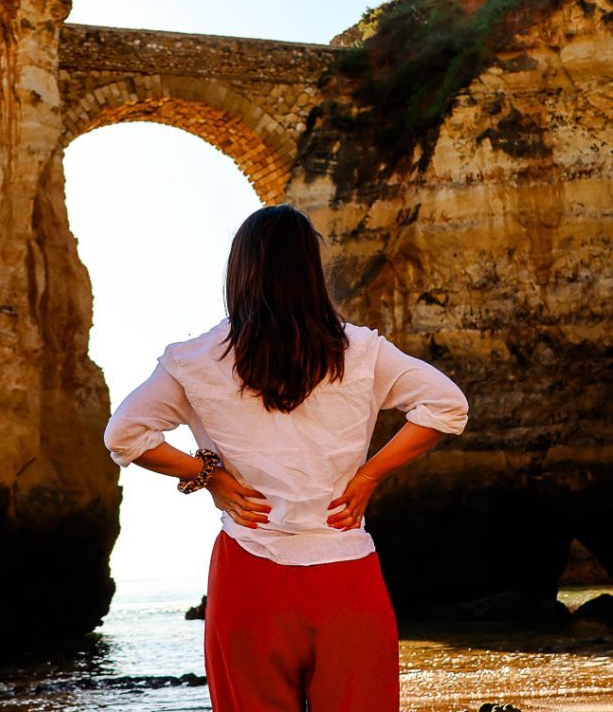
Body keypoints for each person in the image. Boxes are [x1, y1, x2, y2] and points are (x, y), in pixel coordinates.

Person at [103, 204, 469, 712]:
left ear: (239, 271)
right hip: (345, 570)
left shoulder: (194, 359)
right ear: (311, 272)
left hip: (248, 575)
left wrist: (210, 476)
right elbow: (447, 407)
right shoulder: (360, 351)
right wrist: (369, 475)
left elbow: (125, 435)